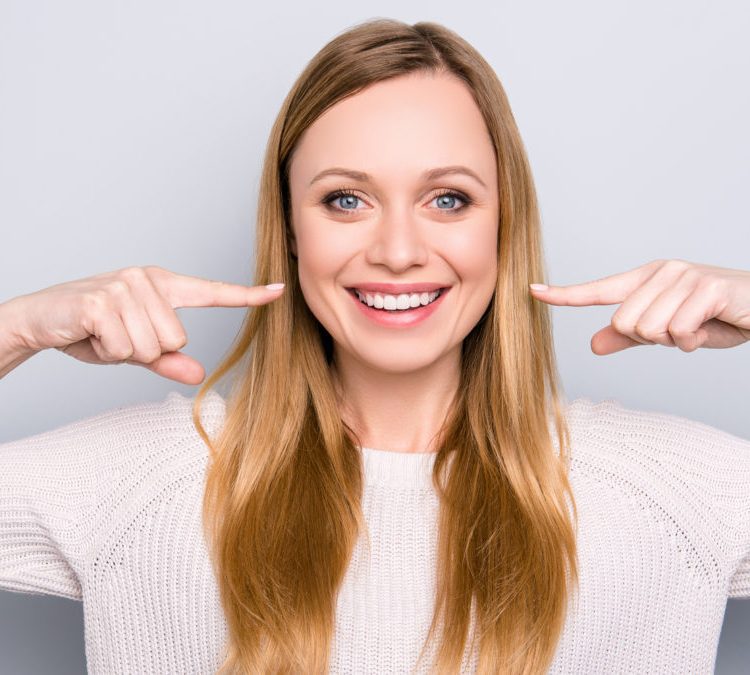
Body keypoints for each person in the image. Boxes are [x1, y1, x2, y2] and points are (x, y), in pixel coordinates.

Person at [1, 16, 749, 675]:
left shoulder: (673, 490)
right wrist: (18, 328)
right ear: (291, 233)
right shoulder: (140, 481)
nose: (398, 250)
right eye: (345, 200)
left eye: (447, 199)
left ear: (503, 225)